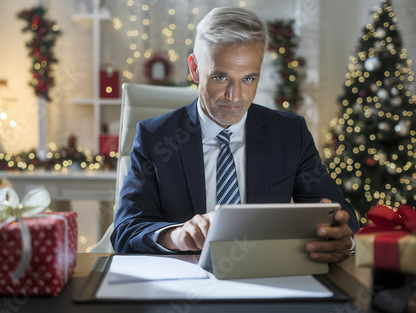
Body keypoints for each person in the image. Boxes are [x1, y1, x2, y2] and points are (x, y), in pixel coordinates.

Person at [111, 7, 359, 263]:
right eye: (221, 77)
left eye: (249, 79)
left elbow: (338, 214)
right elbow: (126, 231)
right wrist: (177, 236)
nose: (235, 96)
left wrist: (342, 237)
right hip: (186, 285)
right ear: (195, 69)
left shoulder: (290, 134)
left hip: (268, 278)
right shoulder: (154, 137)